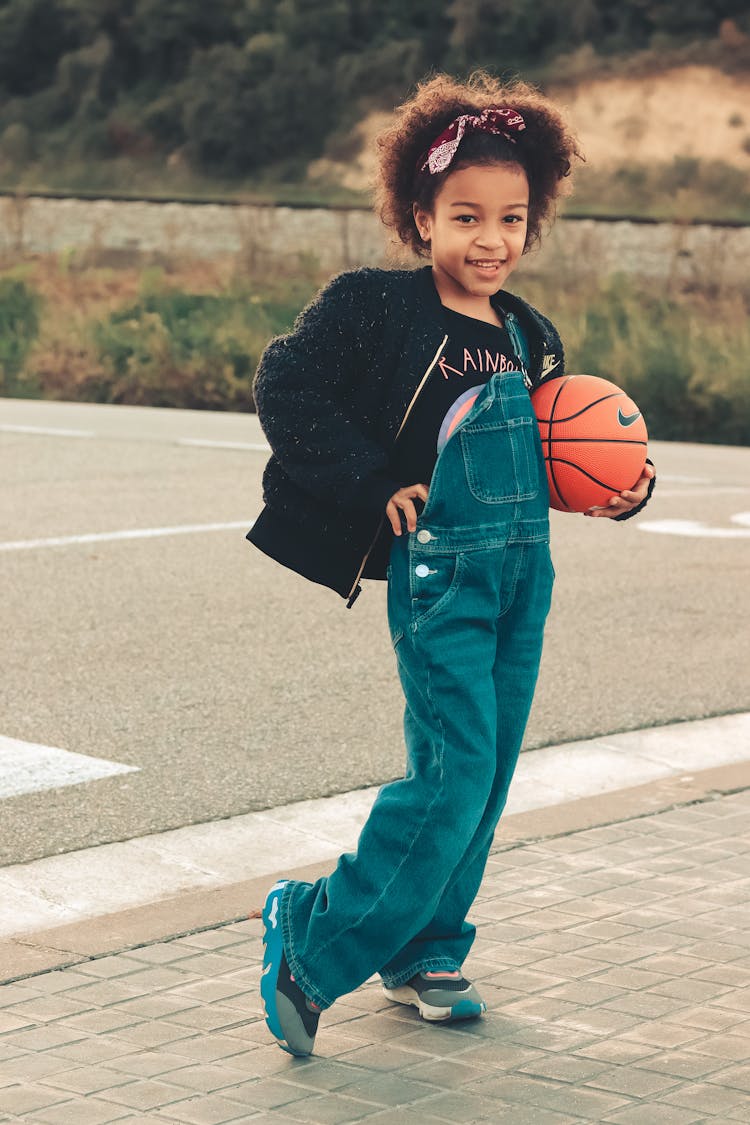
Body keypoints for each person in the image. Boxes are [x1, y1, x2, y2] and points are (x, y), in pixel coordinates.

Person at [248, 71, 655, 1057]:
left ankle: (427, 943)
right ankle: (315, 935)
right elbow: (286, 382)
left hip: (525, 578)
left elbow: (561, 451)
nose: (491, 239)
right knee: (456, 769)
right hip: (441, 581)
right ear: (418, 216)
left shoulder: (528, 334)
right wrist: (366, 481)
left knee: (490, 772)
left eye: (511, 219)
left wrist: (620, 483)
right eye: (465, 216)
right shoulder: (375, 308)